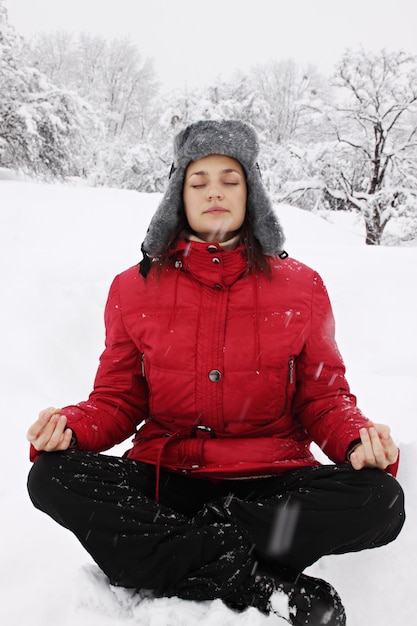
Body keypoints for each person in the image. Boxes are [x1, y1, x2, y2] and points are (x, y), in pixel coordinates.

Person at [27, 120, 404, 626]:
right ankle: (253, 581)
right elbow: (119, 399)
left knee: (381, 500)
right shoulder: (132, 289)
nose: (215, 193)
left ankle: (170, 550)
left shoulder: (302, 286)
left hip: (272, 484)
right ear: (177, 195)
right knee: (52, 476)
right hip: (169, 478)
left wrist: (358, 441)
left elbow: (323, 396)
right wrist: (71, 427)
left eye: (230, 179)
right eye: (198, 180)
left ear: (253, 192)